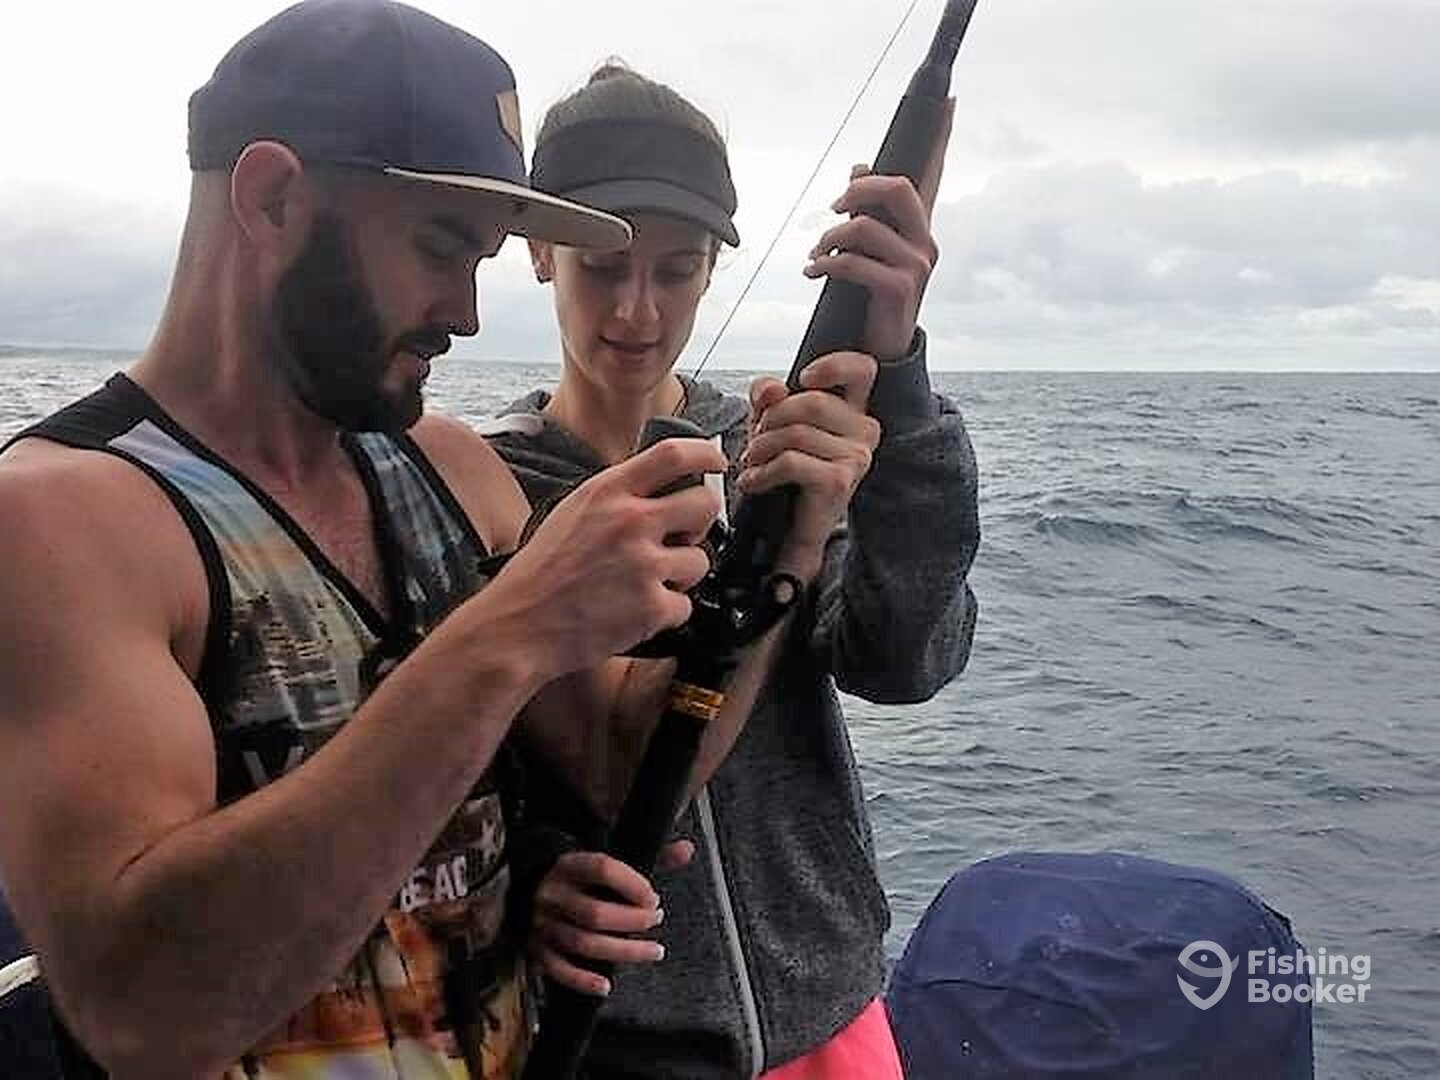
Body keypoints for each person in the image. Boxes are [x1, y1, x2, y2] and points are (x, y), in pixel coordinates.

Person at [0, 4, 875, 1078]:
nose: (465, 313)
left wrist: (788, 540)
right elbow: (143, 1018)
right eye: (437, 247)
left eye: (481, 260)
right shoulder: (59, 522)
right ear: (271, 196)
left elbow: (625, 766)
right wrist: (502, 638)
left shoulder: (450, 468)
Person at [482, 63, 981, 1079]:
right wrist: (524, 875)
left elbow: (905, 661)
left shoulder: (773, 450)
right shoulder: (480, 488)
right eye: (602, 267)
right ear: (539, 251)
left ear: (714, 269)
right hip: (611, 1044)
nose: (637, 310)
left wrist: (898, 399)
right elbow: (460, 771)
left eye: (677, 269)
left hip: (830, 1007)